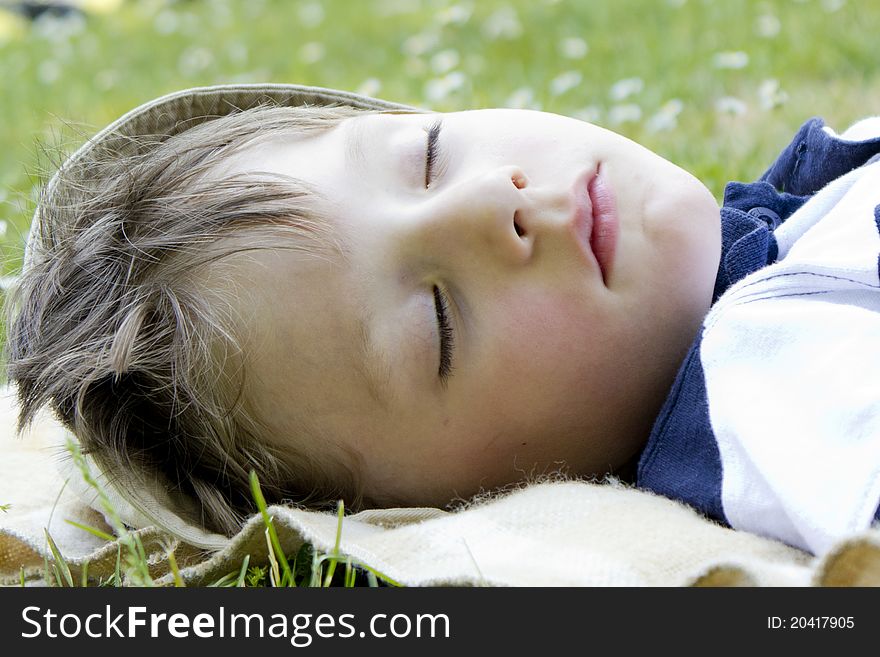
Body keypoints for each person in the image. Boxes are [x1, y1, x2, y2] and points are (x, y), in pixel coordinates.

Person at [6, 84, 879, 556]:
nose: (486, 203)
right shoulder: (780, 386)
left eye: (426, 157)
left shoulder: (795, 225)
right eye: (438, 322)